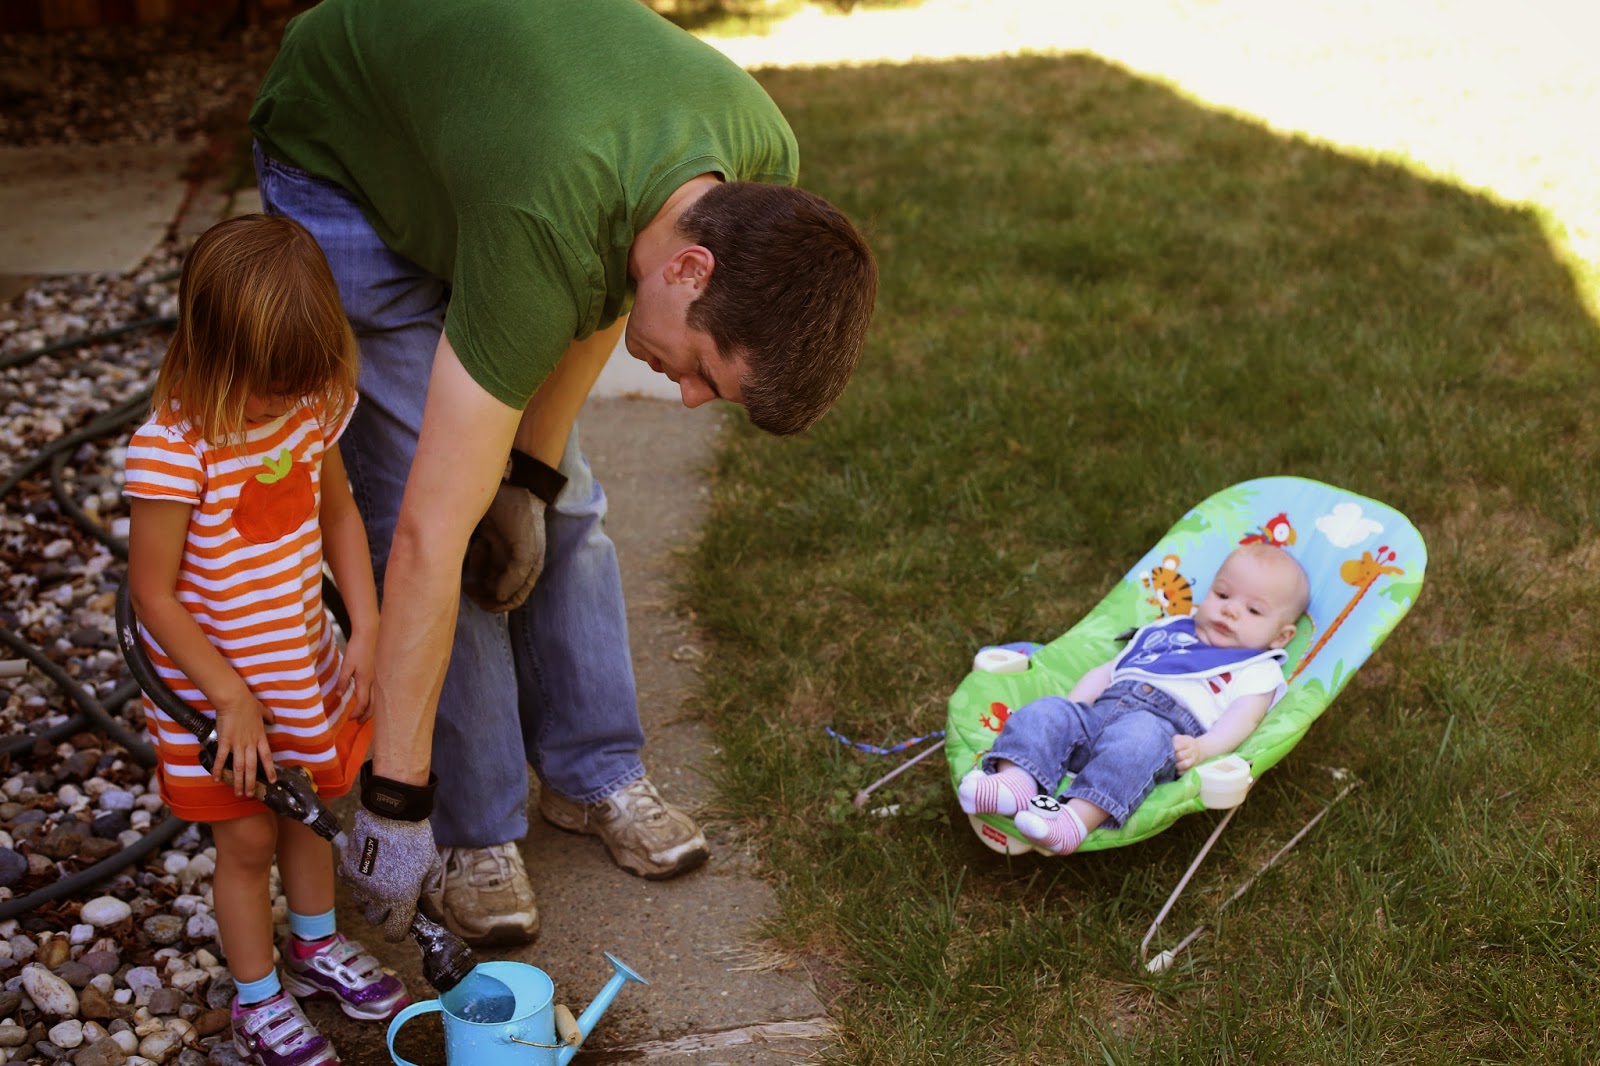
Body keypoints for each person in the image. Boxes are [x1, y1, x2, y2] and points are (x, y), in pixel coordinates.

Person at [247, 0, 879, 948]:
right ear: (692, 269)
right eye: (704, 372)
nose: (688, 399)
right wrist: (393, 800)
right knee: (442, 502)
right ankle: (468, 826)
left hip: (499, 154)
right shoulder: (546, 214)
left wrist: (531, 478)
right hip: (348, 152)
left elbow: (602, 285)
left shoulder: (753, 174)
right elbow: (426, 535)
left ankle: (593, 774)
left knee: (562, 499)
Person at [124, 215, 407, 1066]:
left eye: (297, 386)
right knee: (247, 842)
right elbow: (151, 594)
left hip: (300, 670)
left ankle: (314, 946)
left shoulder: (308, 408)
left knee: (311, 816)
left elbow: (340, 514)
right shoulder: (173, 450)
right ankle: (257, 1002)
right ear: (210, 354)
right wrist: (229, 697)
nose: (283, 404)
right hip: (216, 699)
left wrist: (366, 625)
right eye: (267, 389)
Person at [958, 544, 1310, 854]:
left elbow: (1244, 718)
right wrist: (1071, 709)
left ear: (1281, 637)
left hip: (1158, 733)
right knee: (1046, 711)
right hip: (1099, 713)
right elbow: (1108, 672)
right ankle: (1016, 783)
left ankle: (1074, 820)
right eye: (1222, 595)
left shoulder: (1256, 668)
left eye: (1254, 611)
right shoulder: (1167, 630)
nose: (1231, 610)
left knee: (1138, 739)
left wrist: (1204, 748)